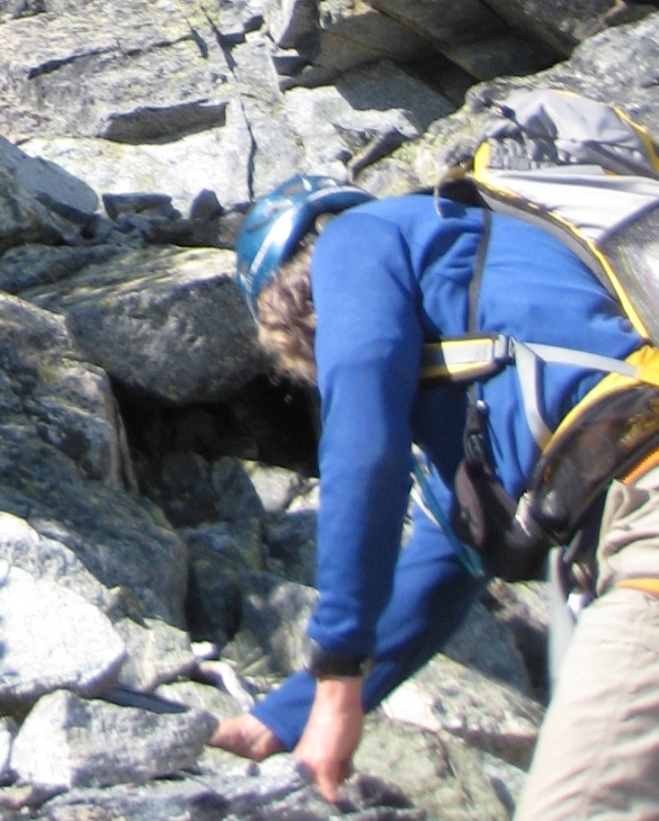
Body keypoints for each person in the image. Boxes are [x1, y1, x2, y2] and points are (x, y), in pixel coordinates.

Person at [210, 171, 658, 814]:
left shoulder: (356, 241)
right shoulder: (494, 284)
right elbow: (448, 560)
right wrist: (284, 716)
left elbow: (364, 448)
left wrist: (338, 674)